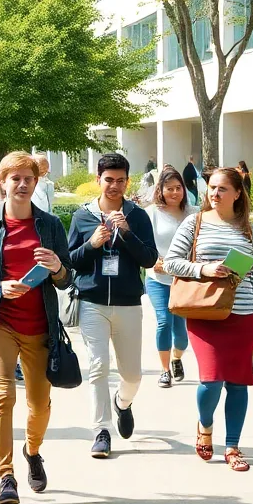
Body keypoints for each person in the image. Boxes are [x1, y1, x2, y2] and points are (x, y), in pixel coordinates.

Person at [0, 152, 71, 504]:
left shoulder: (50, 225)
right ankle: (6, 476)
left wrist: (57, 266)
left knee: (40, 404)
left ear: (36, 182)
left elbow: (66, 280)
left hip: (40, 327)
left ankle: (32, 450)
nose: (22, 184)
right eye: (15, 178)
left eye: (28, 178)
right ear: (1, 182)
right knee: (3, 396)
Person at [163, 167, 253, 472]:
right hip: (205, 313)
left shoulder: (251, 230)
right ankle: (205, 425)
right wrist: (203, 269)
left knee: (238, 382)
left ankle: (233, 446)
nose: (215, 193)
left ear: (237, 193)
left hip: (242, 313)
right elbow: (170, 263)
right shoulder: (194, 223)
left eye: (222, 189)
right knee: (211, 380)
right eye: (211, 188)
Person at [67, 153, 158, 458]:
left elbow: (149, 259)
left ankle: (123, 403)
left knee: (132, 375)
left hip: (128, 303)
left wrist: (128, 234)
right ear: (98, 180)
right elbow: (71, 261)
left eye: (120, 180)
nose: (114, 186)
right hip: (92, 302)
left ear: (127, 182)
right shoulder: (83, 217)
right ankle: (101, 431)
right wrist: (92, 244)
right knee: (98, 367)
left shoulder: (138, 216)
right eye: (108, 180)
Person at [145, 167, 197, 388]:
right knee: (164, 322)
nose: (175, 192)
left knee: (181, 334)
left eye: (178, 188)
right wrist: (152, 262)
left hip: (183, 280)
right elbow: (143, 243)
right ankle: (164, 370)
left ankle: (176, 358)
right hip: (158, 278)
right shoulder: (152, 213)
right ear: (161, 190)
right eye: (169, 188)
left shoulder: (193, 213)